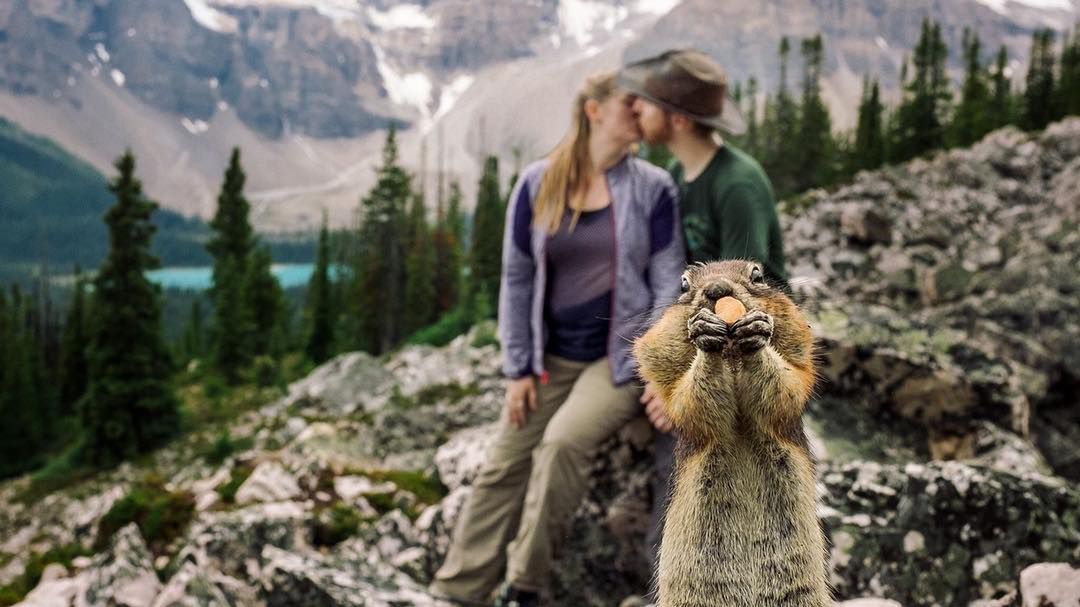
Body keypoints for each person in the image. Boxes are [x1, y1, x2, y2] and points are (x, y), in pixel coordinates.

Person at [428, 71, 685, 607]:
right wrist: (518, 367)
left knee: (561, 443)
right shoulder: (537, 183)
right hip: (549, 358)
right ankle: (457, 591)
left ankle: (523, 586)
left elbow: (668, 282)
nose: (641, 113)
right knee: (503, 464)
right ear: (593, 110)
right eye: (628, 104)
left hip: (617, 358)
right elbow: (517, 276)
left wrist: (660, 364)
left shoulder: (652, 188)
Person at [615, 48, 790, 589]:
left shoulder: (737, 186)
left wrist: (678, 387)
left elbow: (742, 302)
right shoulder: (681, 174)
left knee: (681, 480)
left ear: (679, 119)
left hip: (740, 360)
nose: (636, 110)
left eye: (648, 103)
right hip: (697, 350)